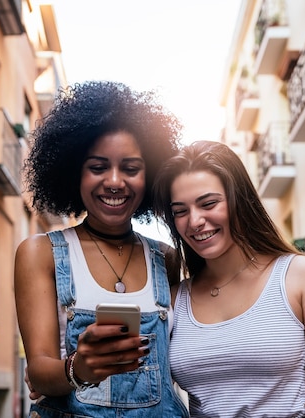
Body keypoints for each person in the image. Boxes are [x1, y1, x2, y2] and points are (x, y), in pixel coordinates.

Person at [14, 80, 189, 417]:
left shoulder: (166, 258)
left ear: (149, 176)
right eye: (97, 167)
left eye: (131, 168)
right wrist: (78, 369)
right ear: (73, 175)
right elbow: (38, 371)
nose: (113, 181)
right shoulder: (40, 253)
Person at [153, 140, 305, 418]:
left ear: (239, 200)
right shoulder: (174, 299)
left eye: (208, 203)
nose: (195, 221)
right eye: (180, 211)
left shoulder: (301, 277)